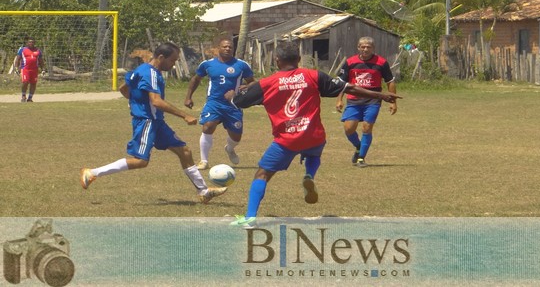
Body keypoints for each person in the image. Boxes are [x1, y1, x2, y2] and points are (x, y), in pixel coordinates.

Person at [226, 41, 401, 227]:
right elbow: (348, 87)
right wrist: (381, 96)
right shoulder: (313, 75)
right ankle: (309, 174)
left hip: (287, 140)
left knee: (262, 175)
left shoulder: (267, 83)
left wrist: (231, 96)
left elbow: (240, 102)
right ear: (299, 59)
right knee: (313, 154)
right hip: (314, 136)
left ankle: (250, 217)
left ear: (277, 61)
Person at [80, 42, 226, 204]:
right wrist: (184, 116)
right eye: (172, 60)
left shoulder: (141, 69)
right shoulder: (151, 74)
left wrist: (136, 101)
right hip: (146, 121)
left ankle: (203, 191)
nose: (174, 64)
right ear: (161, 57)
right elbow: (156, 102)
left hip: (157, 121)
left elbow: (124, 88)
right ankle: (92, 173)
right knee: (140, 161)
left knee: (184, 151)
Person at [184, 38, 255, 169]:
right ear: (219, 48)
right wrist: (188, 97)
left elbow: (252, 81)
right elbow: (196, 79)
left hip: (234, 104)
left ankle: (229, 148)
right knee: (208, 126)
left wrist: (246, 87)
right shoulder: (207, 64)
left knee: (236, 137)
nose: (228, 49)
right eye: (225, 47)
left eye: (230, 47)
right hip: (214, 102)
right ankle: (203, 161)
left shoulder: (241, 65)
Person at [336, 36, 397, 167]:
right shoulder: (350, 62)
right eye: (363, 47)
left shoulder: (381, 62)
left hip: (373, 100)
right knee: (349, 129)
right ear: (358, 47)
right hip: (353, 100)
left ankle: (361, 158)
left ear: (373, 48)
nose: (365, 49)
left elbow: (390, 82)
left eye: (368, 47)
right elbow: (342, 83)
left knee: (367, 127)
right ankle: (358, 147)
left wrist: (393, 102)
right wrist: (339, 99)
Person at [13, 37, 45, 102]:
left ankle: (30, 98)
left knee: (33, 83)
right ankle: (23, 96)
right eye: (29, 42)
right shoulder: (22, 50)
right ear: (27, 43)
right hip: (25, 69)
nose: (31, 43)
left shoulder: (38, 50)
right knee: (25, 82)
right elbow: (18, 59)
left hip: (34, 70)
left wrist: (43, 69)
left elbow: (41, 61)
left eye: (32, 42)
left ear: (34, 43)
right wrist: (16, 67)